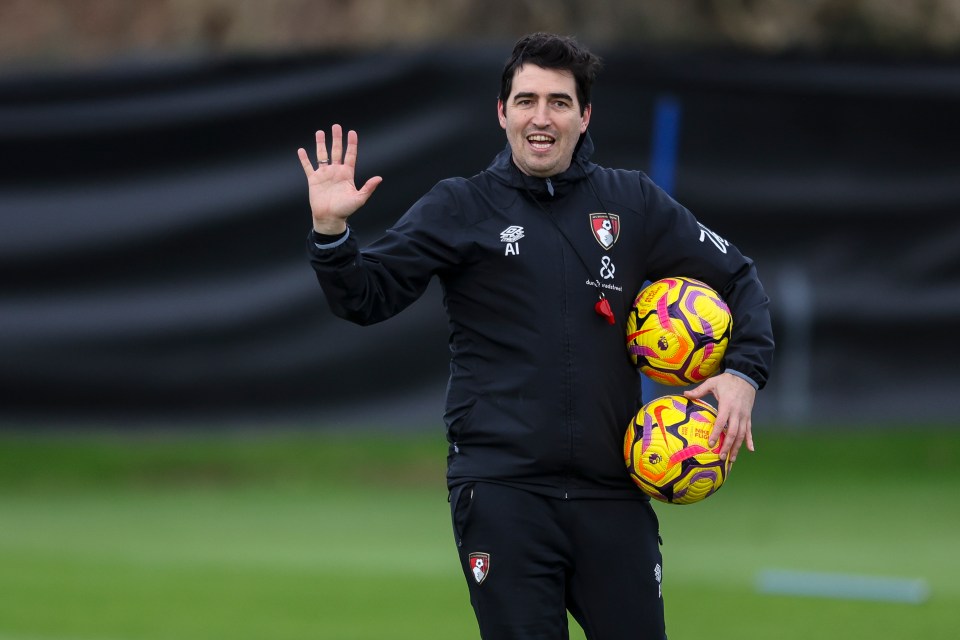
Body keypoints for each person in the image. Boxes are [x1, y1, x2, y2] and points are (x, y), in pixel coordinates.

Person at [300, 32, 774, 640]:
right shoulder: (460, 206)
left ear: (585, 115)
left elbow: (738, 276)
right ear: (502, 113)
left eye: (558, 102)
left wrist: (742, 373)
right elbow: (365, 298)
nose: (540, 118)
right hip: (503, 492)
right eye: (525, 101)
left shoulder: (632, 201)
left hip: (613, 491)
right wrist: (331, 234)